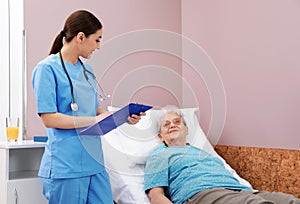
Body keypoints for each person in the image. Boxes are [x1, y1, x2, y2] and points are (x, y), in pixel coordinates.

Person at [32, 10, 144, 204]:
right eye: (97, 40)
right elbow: (49, 118)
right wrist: (93, 120)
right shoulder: (47, 69)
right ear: (81, 37)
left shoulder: (86, 70)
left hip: (95, 163)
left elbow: (95, 109)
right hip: (66, 165)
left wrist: (122, 116)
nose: (98, 47)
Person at [144, 106, 300, 204]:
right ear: (160, 136)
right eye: (166, 124)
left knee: (289, 201)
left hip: (238, 190)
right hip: (201, 194)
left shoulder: (201, 152)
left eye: (177, 121)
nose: (172, 125)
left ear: (186, 129)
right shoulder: (159, 155)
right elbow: (156, 194)